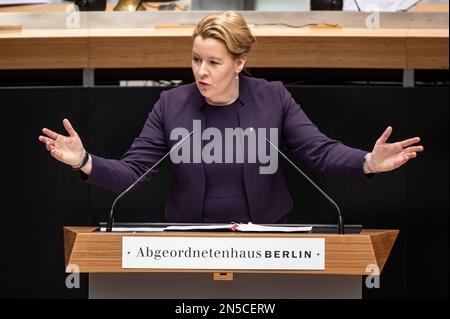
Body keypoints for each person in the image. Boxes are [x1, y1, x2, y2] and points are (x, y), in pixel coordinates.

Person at [38, 11, 423, 224]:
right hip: (189, 242)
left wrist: (368, 162)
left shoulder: (272, 98)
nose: (201, 72)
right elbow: (135, 172)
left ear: (239, 63)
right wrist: (84, 162)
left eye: (213, 62)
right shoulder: (171, 105)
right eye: (195, 60)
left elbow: (319, 151)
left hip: (264, 241)